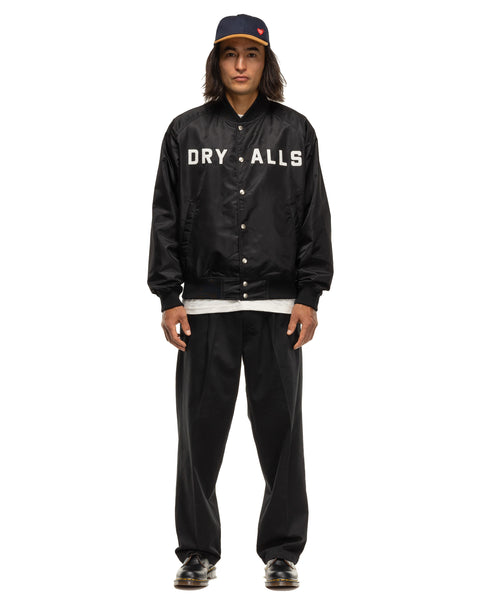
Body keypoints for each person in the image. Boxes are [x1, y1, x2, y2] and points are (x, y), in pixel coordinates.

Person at [147, 13, 334, 590]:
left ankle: (282, 552)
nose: (240, 65)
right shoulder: (185, 132)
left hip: (279, 309)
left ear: (265, 62)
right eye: (230, 54)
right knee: (198, 436)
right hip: (204, 309)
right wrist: (168, 295)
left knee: (282, 435)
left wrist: (309, 294)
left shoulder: (295, 132)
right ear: (217, 62)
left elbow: (314, 214)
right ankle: (197, 551)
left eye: (251, 55)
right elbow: (165, 216)